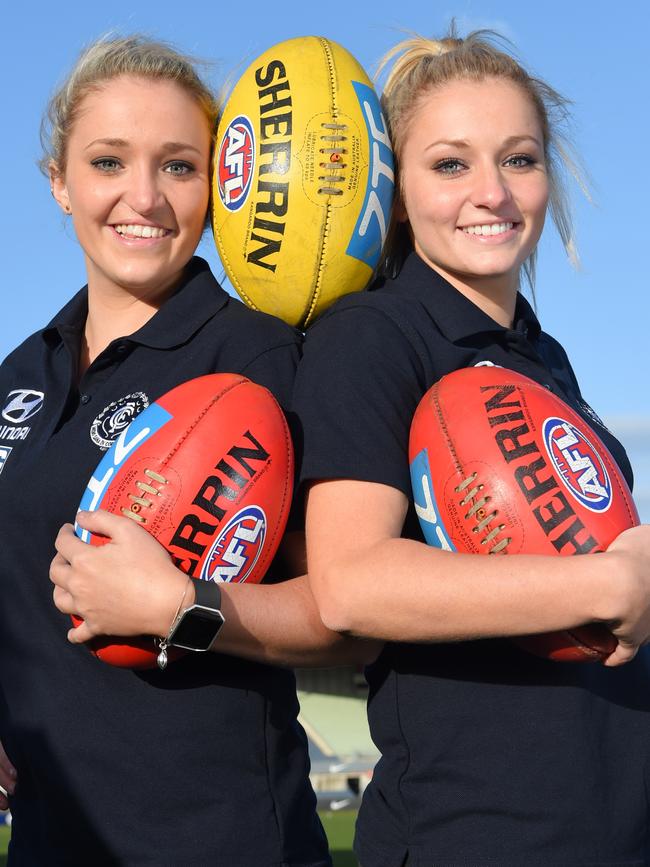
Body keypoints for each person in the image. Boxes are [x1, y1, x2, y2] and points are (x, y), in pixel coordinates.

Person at [0, 34, 370, 866]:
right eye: (107, 162)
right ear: (59, 182)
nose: (145, 196)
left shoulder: (262, 354)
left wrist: (181, 607)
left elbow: (352, 619)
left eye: (178, 166)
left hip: (221, 837)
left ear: (220, 189)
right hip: (49, 842)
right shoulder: (19, 374)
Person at [293, 27, 650, 867]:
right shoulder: (373, 337)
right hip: (481, 832)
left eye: (519, 159)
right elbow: (349, 583)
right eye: (451, 164)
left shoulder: (542, 353)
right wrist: (604, 579)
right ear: (397, 189)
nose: (492, 191)